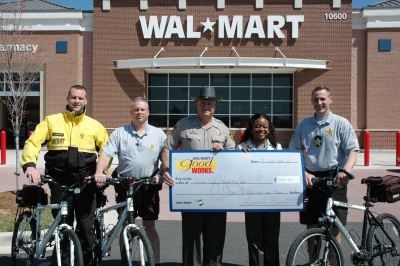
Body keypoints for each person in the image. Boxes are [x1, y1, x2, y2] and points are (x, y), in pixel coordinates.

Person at [20, 84, 109, 265]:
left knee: (85, 228)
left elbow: (107, 153)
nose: (77, 101)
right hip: (59, 182)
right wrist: (30, 166)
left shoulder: (95, 126)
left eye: (80, 98)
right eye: (73, 97)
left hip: (86, 183)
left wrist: (102, 174)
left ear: (86, 101)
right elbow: (33, 142)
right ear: (67, 99)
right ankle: (62, 261)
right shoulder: (51, 121)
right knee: (63, 225)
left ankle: (86, 261)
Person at [161, 86, 236, 266]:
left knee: (216, 238)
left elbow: (234, 155)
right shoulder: (183, 125)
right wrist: (165, 169)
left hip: (217, 194)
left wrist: (223, 150)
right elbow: (167, 147)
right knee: (191, 238)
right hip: (190, 193)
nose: (206, 106)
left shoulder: (223, 128)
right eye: (202, 102)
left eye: (210, 103)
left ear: (215, 105)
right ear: (196, 104)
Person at [94, 96, 166, 266]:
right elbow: (106, 154)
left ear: (148, 112)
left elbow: (166, 157)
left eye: (142, 109)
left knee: (149, 226)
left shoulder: (158, 134)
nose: (139, 112)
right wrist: (99, 171)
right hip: (125, 184)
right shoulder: (120, 133)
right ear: (131, 112)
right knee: (126, 225)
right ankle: (126, 261)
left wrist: (162, 173)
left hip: (149, 184)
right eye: (136, 109)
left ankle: (155, 262)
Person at [289, 85, 359, 244]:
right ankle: (313, 261)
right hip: (311, 181)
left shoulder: (341, 123)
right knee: (312, 227)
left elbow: (353, 151)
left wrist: (346, 171)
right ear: (311, 102)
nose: (319, 102)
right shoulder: (304, 125)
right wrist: (303, 173)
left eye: (322, 99)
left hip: (335, 179)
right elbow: (293, 152)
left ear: (330, 100)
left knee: (334, 228)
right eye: (315, 99)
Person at [236, 113, 282, 266]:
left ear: (269, 129)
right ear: (251, 127)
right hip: (252, 200)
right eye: (257, 126)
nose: (261, 129)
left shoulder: (276, 147)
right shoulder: (242, 147)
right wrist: (240, 157)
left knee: (271, 238)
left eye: (264, 126)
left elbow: (283, 171)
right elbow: (236, 171)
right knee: (254, 238)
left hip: (272, 200)